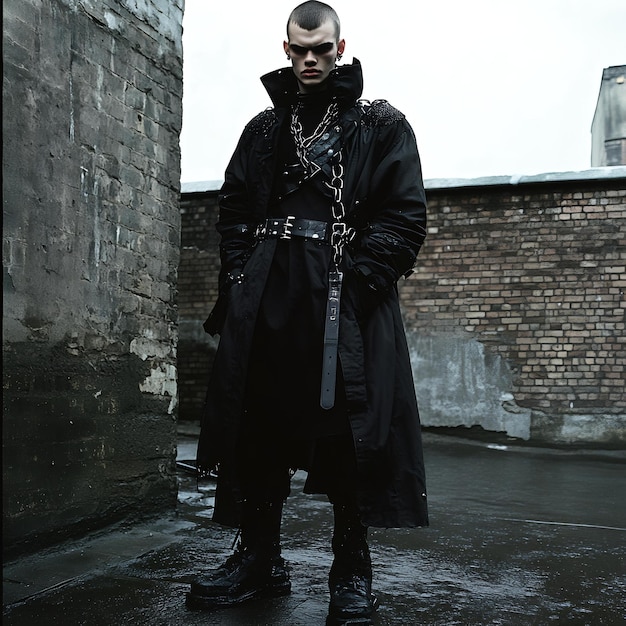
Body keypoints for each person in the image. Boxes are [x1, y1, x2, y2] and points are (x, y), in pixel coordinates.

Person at [187, 2, 428, 624]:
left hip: (342, 305)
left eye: (321, 49)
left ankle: (351, 571)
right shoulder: (264, 130)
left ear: (341, 47)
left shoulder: (381, 125)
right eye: (300, 50)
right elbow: (234, 207)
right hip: (268, 301)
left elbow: (404, 219)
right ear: (287, 48)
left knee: (346, 435)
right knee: (259, 431)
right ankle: (260, 558)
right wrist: (242, 279)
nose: (311, 60)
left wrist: (353, 287)